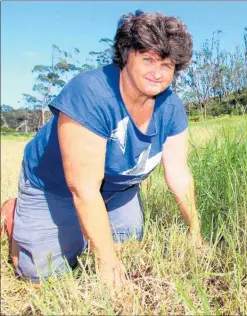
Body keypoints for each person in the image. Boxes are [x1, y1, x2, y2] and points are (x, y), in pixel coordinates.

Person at [0, 10, 202, 286]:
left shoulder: (171, 108)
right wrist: (107, 264)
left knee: (127, 247)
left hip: (118, 187)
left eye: (166, 65)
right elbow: (83, 189)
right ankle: (16, 216)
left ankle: (82, 231)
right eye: (148, 59)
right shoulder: (90, 94)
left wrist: (195, 231)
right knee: (43, 277)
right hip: (55, 186)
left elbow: (179, 174)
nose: (157, 73)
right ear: (126, 54)